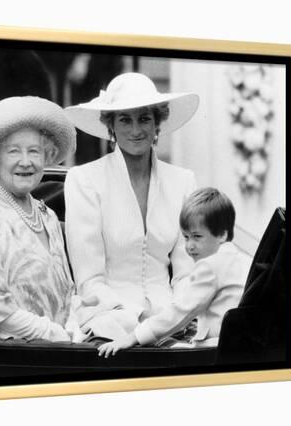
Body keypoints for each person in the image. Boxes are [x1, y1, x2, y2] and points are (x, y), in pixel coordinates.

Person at [64, 72, 200, 340]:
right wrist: (134, 322)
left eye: (144, 118)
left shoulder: (183, 181)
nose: (136, 130)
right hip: (107, 319)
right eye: (125, 119)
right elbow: (89, 281)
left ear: (157, 124)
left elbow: (188, 273)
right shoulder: (84, 180)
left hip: (172, 321)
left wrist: (174, 317)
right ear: (111, 126)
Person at [0, 96, 84, 342]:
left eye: (34, 151)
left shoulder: (48, 216)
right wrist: (53, 334)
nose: (26, 161)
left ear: (46, 157)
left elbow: (67, 292)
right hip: (13, 355)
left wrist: (74, 327)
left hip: (63, 350)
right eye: (13, 151)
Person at [98, 188, 251, 356]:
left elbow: (182, 311)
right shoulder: (242, 259)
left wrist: (134, 337)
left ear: (222, 235)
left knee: (159, 347)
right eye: (185, 237)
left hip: (216, 348)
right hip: (241, 344)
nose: (189, 246)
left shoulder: (210, 266)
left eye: (197, 236)